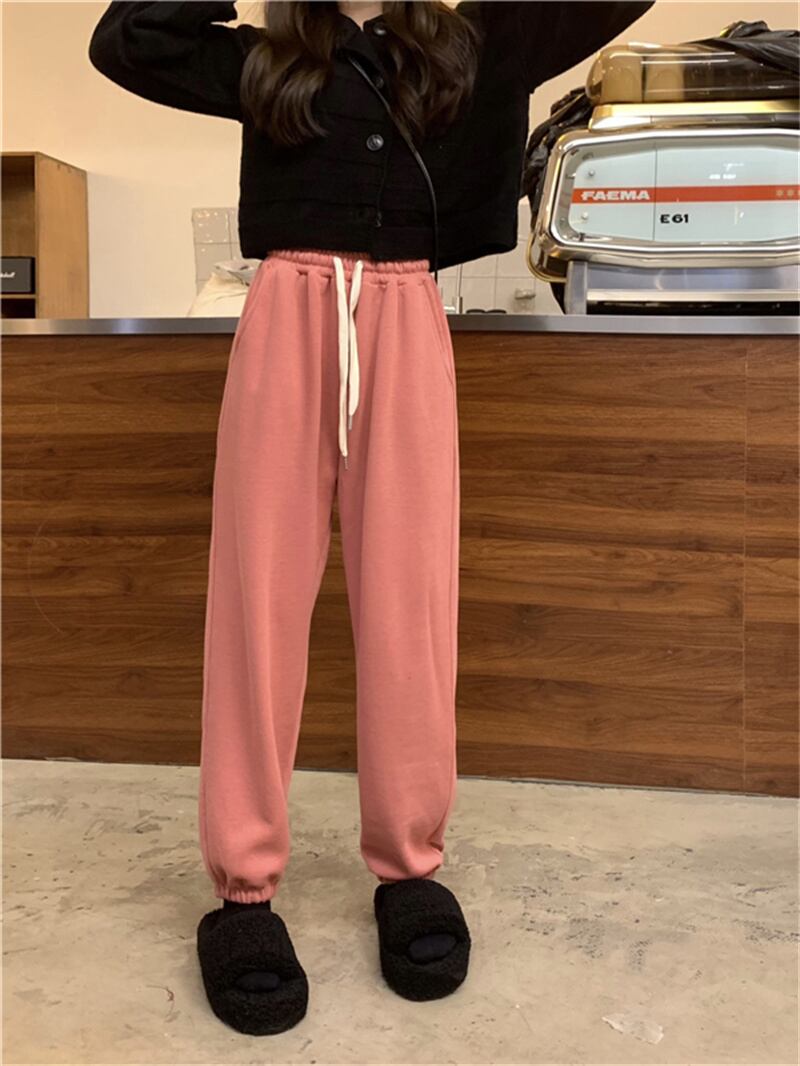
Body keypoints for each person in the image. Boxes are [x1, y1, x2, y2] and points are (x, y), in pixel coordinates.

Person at [88, 0, 655, 1037]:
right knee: (257, 607)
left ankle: (408, 868)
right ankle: (243, 891)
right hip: (285, 314)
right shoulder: (268, 62)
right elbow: (126, 39)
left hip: (405, 313)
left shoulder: (468, 46)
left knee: (409, 605)